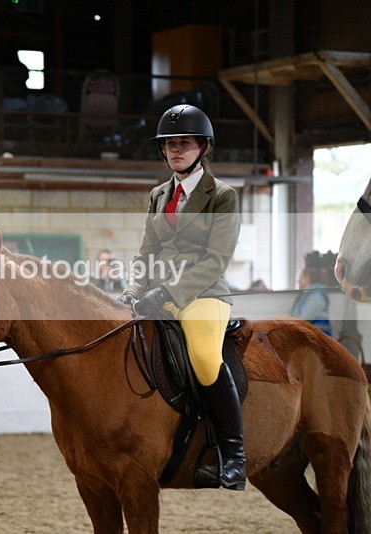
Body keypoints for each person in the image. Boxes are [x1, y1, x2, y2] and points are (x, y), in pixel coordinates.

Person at [117, 104, 245, 491]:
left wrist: (170, 292)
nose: (176, 150)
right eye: (170, 144)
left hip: (204, 294)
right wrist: (132, 289)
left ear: (203, 148)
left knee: (205, 358)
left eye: (184, 143)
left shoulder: (222, 196)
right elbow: (146, 252)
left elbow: (216, 259)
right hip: (157, 294)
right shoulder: (158, 195)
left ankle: (233, 455)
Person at [291, 266, 331, 336]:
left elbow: (302, 320)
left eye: (301, 277)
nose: (298, 280)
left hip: (319, 340)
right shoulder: (306, 296)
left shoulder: (317, 297)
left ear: (308, 278)